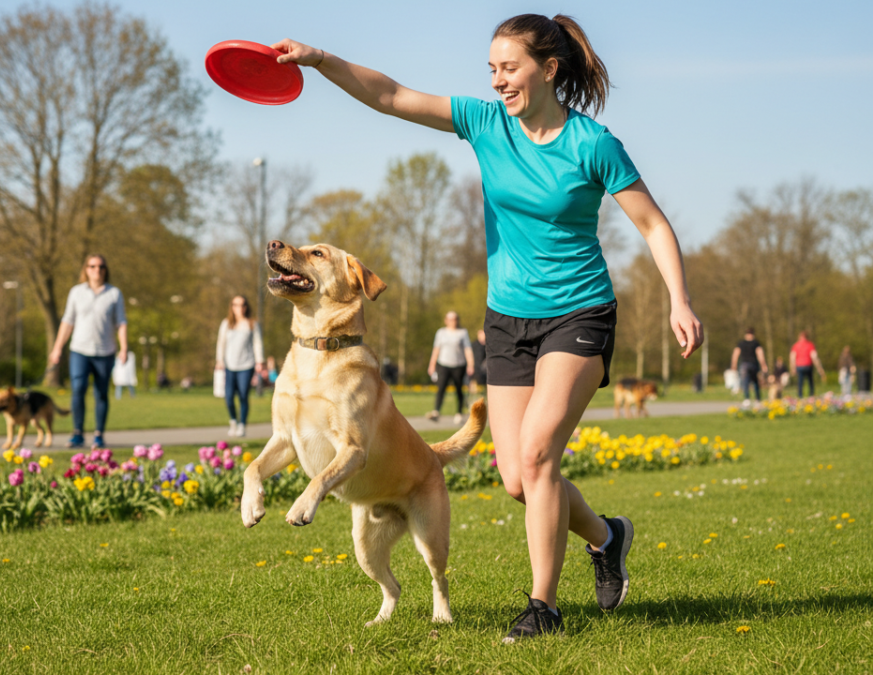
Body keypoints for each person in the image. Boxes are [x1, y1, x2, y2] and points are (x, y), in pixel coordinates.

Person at [270, 13, 703, 641]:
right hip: (508, 320)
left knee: (536, 454)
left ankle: (543, 608)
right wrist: (319, 59)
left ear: (549, 69)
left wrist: (679, 299)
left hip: (579, 312)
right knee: (517, 480)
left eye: (510, 67)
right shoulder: (485, 122)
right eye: (492, 70)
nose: (498, 81)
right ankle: (609, 537)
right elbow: (390, 96)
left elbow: (655, 225)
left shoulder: (592, 143)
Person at [48, 254, 127, 450]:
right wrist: (57, 347)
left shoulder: (114, 293)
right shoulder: (76, 292)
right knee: (78, 388)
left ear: (105, 270)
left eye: (101, 266)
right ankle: (77, 433)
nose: (97, 270)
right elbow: (67, 321)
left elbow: (121, 323)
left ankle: (99, 434)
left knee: (101, 393)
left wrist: (124, 348)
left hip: (105, 352)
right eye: (92, 266)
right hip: (79, 350)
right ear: (86, 269)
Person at [216, 295, 264, 438]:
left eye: (242, 305)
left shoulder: (252, 324)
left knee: (243, 395)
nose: (239, 308)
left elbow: (257, 343)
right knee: (229, 397)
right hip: (229, 365)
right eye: (236, 305)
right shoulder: (226, 323)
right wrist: (219, 361)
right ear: (232, 307)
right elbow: (221, 343)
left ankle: (242, 425)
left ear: (246, 307)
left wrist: (259, 361)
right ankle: (233, 421)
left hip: (246, 365)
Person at [426, 311, 475, 423]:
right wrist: (432, 365)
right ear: (446, 320)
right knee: (441, 388)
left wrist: (470, 364)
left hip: (459, 365)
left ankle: (459, 413)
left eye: (455, 319)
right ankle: (436, 411)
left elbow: (467, 350)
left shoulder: (462, 333)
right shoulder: (441, 333)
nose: (453, 321)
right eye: (450, 319)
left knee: (459, 389)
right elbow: (436, 349)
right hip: (443, 364)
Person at [730, 327, 768, 402]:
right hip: (753, 364)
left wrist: (733, 364)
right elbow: (760, 354)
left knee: (745, 382)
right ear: (753, 334)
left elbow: (735, 354)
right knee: (755, 382)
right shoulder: (756, 343)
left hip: (744, 365)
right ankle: (757, 399)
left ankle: (747, 399)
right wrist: (764, 365)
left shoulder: (741, 343)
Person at [789, 331, 825, 398]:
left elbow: (792, 358)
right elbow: (814, 357)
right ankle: (811, 395)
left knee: (800, 382)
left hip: (799, 366)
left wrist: (792, 368)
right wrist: (819, 369)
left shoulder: (795, 345)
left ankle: (800, 396)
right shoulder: (810, 345)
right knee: (810, 381)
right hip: (808, 365)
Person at [470, 328, 488, 396]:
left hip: (485, 370)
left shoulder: (488, 345)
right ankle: (472, 397)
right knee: (473, 384)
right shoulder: (474, 345)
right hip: (475, 368)